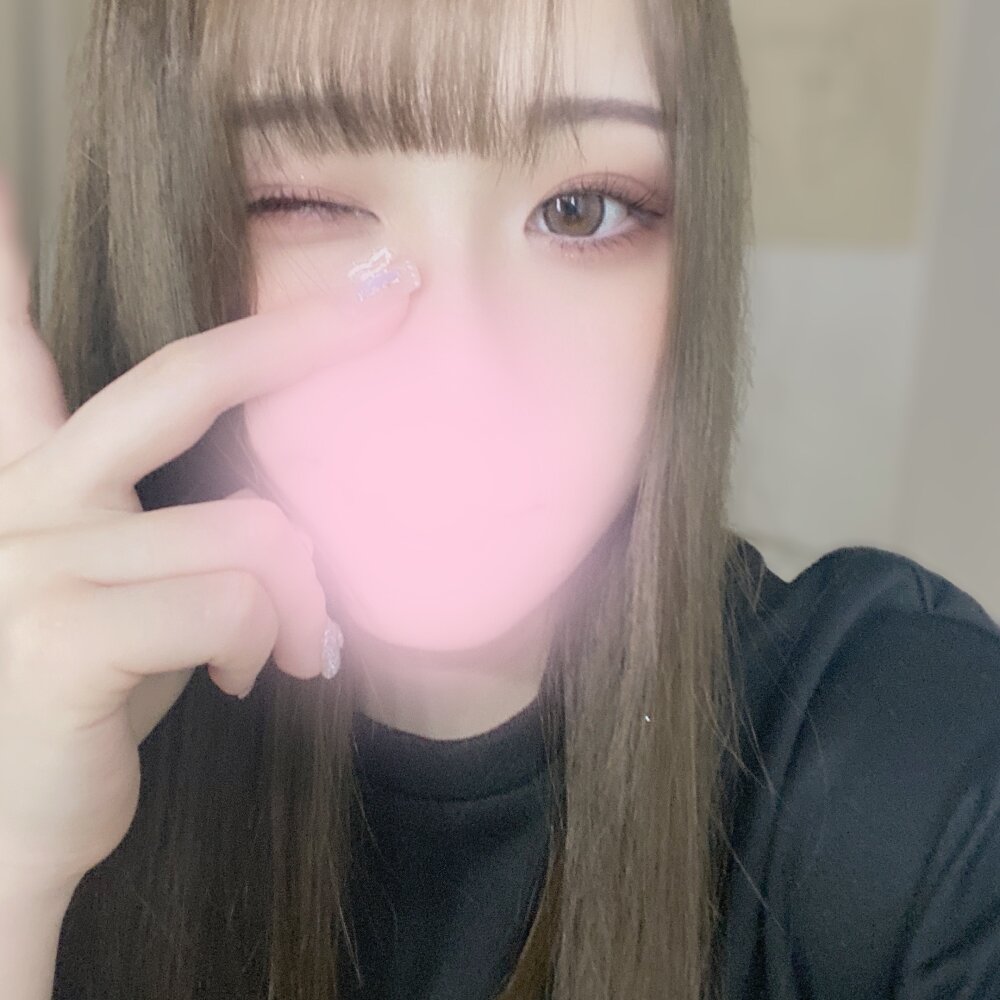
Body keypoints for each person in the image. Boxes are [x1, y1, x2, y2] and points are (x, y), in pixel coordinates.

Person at [0, 0, 997, 997]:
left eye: (581, 210)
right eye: (303, 203)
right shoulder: (51, 727)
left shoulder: (920, 770)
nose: (459, 372)